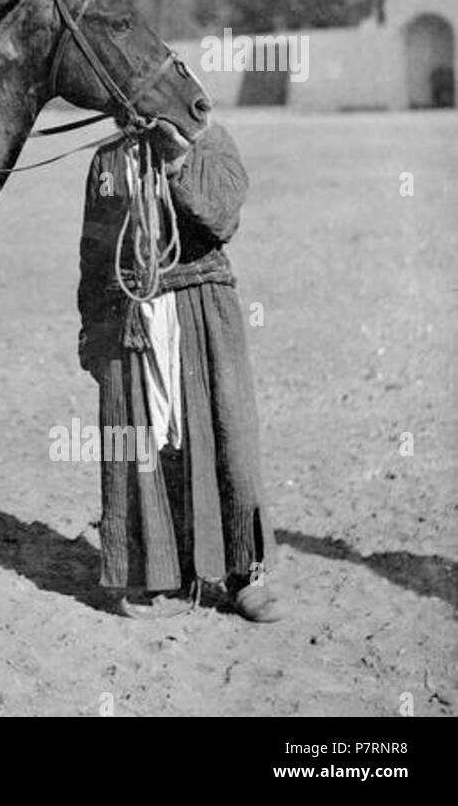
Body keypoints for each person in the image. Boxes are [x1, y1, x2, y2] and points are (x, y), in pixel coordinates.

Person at [77, 120, 286, 621]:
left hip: (202, 299)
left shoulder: (209, 142)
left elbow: (221, 219)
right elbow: (94, 250)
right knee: (141, 445)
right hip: (131, 308)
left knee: (227, 435)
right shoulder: (108, 160)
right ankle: (162, 577)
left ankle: (244, 573)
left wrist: (175, 163)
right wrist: (91, 329)